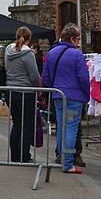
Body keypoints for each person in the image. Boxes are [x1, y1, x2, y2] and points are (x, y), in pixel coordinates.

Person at [42, 24, 89, 174]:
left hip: (58, 95)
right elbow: (83, 78)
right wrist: (86, 95)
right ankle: (68, 163)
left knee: (61, 128)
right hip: (74, 97)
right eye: (79, 38)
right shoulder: (77, 54)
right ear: (73, 39)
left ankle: (62, 158)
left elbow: (46, 78)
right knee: (70, 129)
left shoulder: (51, 53)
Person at [4, 27, 41, 163]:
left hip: (11, 91)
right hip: (26, 92)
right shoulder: (28, 54)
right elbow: (35, 76)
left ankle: (15, 155)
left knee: (17, 124)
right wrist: (38, 89)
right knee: (27, 126)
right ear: (29, 38)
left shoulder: (8, 51)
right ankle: (24, 156)